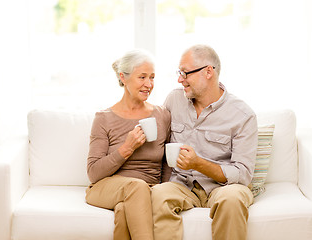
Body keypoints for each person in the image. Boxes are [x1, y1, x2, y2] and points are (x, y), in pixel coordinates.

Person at [151, 44, 258, 240]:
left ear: (208, 72)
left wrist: (198, 163)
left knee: (233, 200)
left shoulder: (243, 115)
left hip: (223, 188)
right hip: (183, 185)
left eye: (185, 73)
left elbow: (243, 175)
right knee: (156, 195)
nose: (179, 79)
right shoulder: (174, 100)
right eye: (179, 73)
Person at [85, 49, 171, 240]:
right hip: (106, 187)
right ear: (123, 77)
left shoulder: (162, 115)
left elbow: (166, 163)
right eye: (142, 77)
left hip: (145, 190)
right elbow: (93, 173)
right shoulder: (104, 118)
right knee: (136, 187)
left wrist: (163, 191)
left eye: (152, 77)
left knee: (124, 210)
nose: (149, 84)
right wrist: (127, 148)